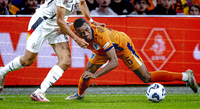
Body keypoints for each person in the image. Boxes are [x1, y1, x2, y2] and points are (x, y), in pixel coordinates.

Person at [0, 0, 104, 102]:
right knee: (28, 60)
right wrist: (77, 40)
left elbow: (82, 3)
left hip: (57, 26)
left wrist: (90, 20)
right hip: (42, 24)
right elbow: (61, 21)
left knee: (66, 60)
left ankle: (40, 92)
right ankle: (2, 72)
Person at [65, 18, 198, 100]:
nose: (86, 34)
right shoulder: (74, 28)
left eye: (87, 30)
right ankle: (79, 95)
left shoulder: (101, 36)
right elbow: (63, 24)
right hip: (100, 51)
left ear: (89, 26)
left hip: (123, 47)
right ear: (76, 31)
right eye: (82, 33)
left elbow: (114, 62)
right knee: (86, 72)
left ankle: (185, 76)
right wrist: (58, 29)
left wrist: (95, 75)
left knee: (146, 77)